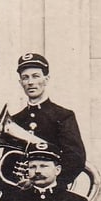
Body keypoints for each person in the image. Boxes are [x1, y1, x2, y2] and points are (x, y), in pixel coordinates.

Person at [8, 52, 87, 187]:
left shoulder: (63, 116)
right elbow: (8, 162)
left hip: (53, 194)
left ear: (46, 79)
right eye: (25, 78)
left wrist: (50, 182)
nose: (30, 82)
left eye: (36, 76)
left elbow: (75, 158)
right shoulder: (15, 120)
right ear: (20, 82)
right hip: (20, 197)